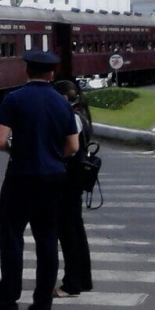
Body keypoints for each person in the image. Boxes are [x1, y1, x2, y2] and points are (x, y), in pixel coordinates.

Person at [0, 50, 80, 310]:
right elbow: (73, 146)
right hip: (53, 179)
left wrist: (18, 149)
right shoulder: (62, 103)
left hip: (21, 176)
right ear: (52, 74)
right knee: (47, 241)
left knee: (11, 239)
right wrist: (53, 155)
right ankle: (43, 305)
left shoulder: (15, 99)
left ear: (26, 71)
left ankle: (7, 305)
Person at [53, 79, 94, 298]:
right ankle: (83, 278)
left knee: (68, 231)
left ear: (65, 98)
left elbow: (69, 149)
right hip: (76, 178)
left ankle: (72, 283)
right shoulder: (81, 115)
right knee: (76, 229)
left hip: (68, 179)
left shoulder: (72, 118)